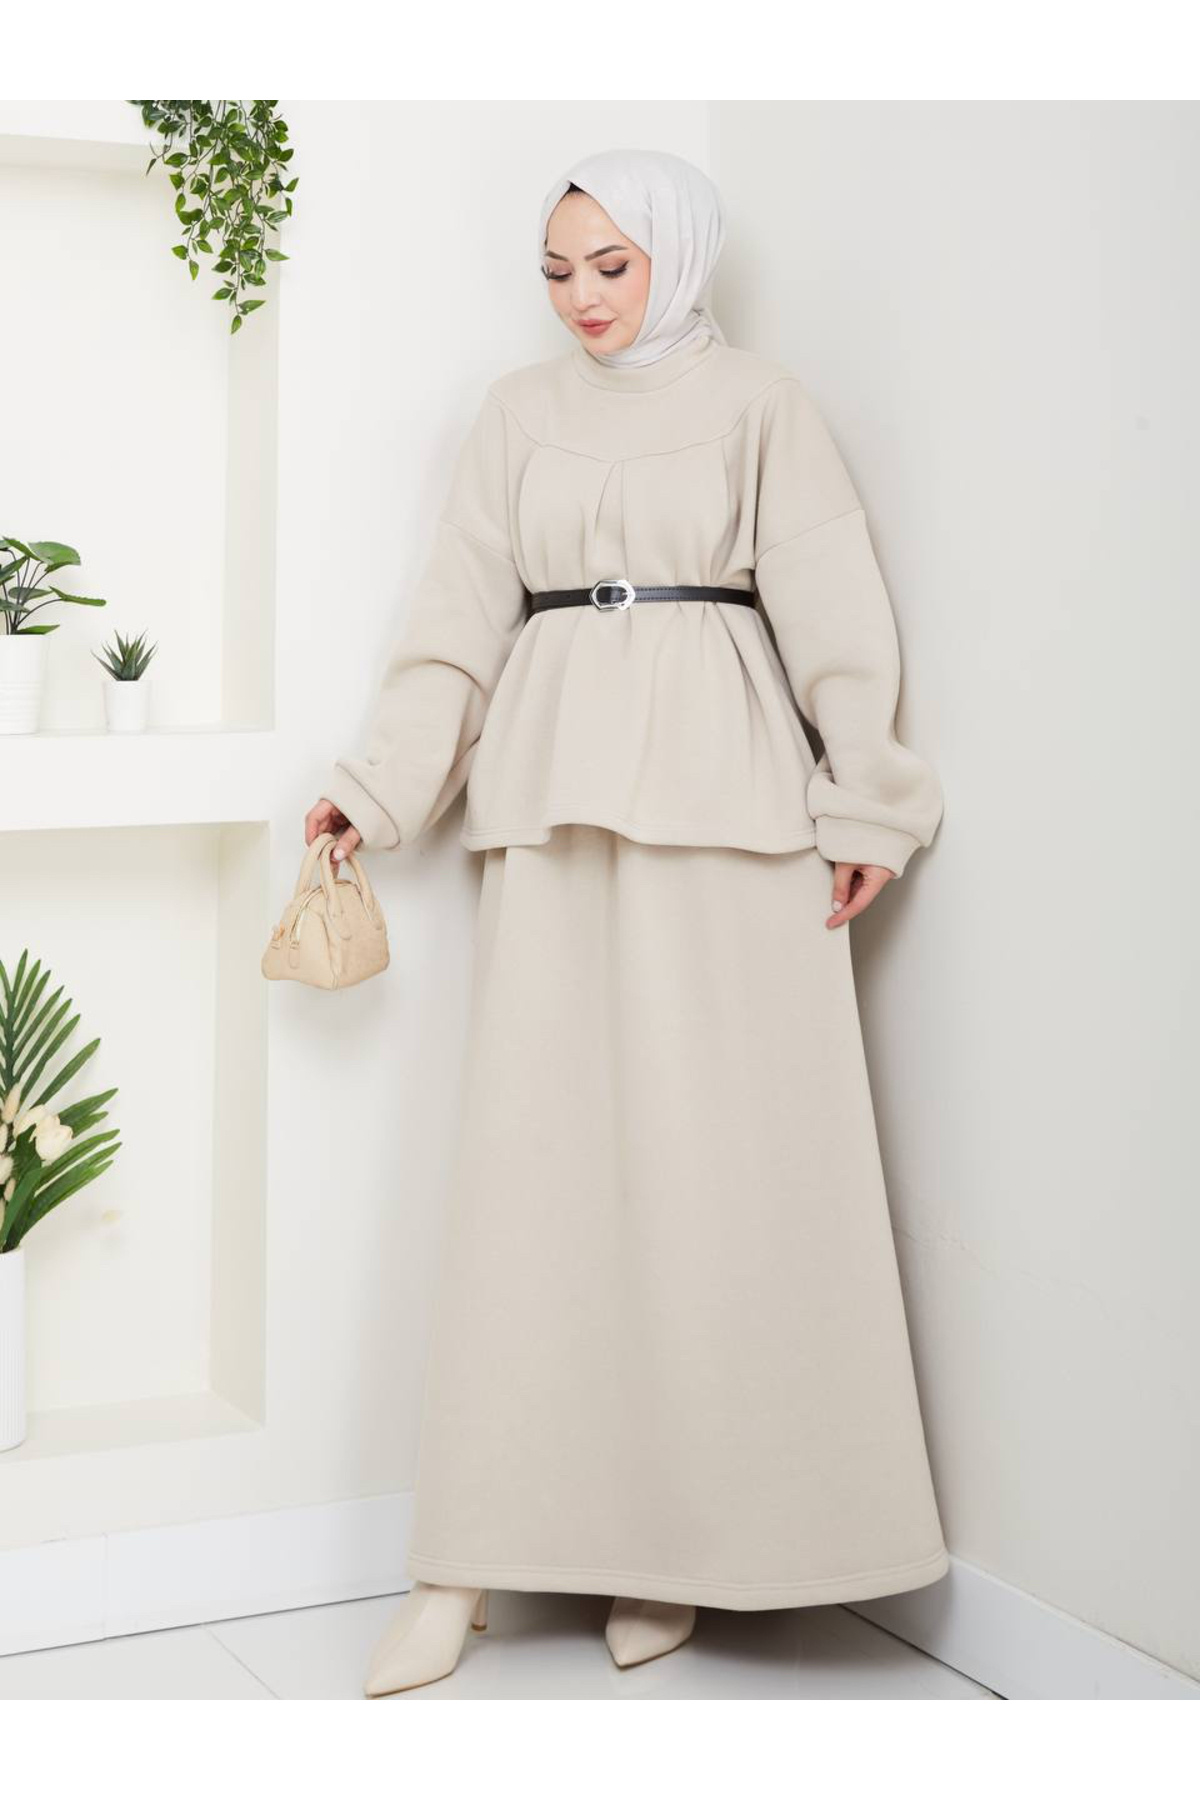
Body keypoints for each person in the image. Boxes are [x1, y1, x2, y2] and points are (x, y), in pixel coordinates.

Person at [307, 146, 949, 1698]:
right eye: (557, 270)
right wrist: (377, 793)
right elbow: (453, 625)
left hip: (733, 810)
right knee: (536, 1187)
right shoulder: (514, 415)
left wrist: (870, 805)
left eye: (612, 264)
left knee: (715, 1187)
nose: (583, 297)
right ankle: (462, 1566)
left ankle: (673, 1553)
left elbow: (837, 612)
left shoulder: (764, 406)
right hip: (551, 806)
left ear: (677, 256)